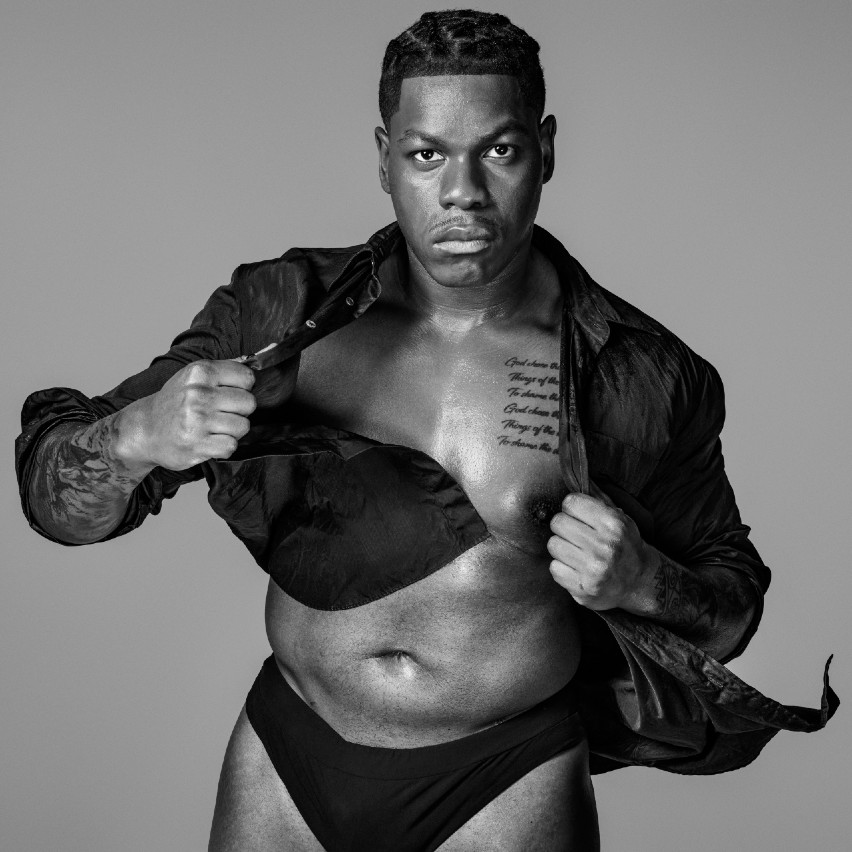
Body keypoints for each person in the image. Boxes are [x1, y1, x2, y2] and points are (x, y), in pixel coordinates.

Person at [15, 10, 835, 852]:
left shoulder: (643, 376)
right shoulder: (282, 314)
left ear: (546, 149)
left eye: (500, 151)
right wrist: (134, 437)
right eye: (426, 155)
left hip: (503, 777)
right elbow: (52, 502)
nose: (463, 192)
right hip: (286, 752)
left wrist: (642, 580)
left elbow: (732, 611)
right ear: (385, 158)